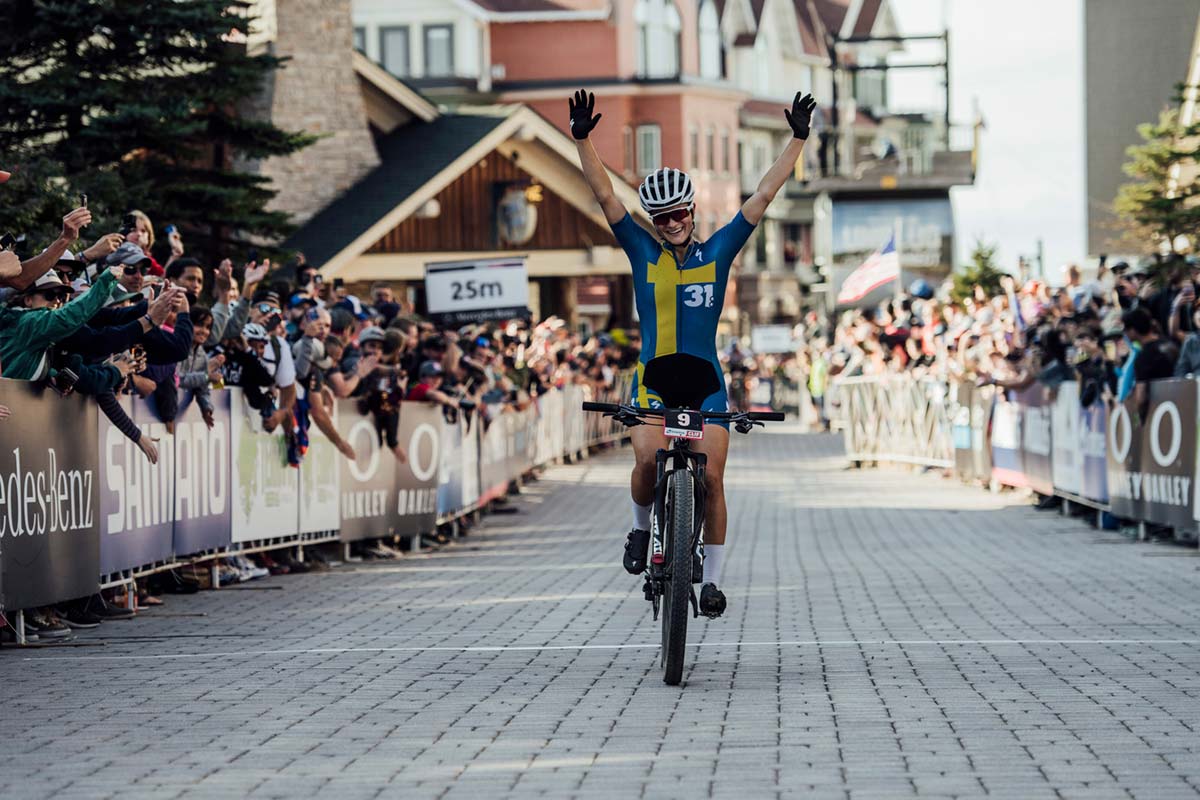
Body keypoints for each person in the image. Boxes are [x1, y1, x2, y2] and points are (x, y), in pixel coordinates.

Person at [569, 87, 816, 618]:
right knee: (641, 459)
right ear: (653, 221)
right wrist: (584, 141)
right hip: (654, 378)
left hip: (705, 380)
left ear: (692, 210)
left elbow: (763, 196)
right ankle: (640, 533)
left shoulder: (718, 251)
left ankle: (714, 582)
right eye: (660, 217)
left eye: (678, 212)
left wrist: (796, 139)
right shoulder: (641, 250)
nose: (671, 222)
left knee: (713, 477)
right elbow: (606, 197)